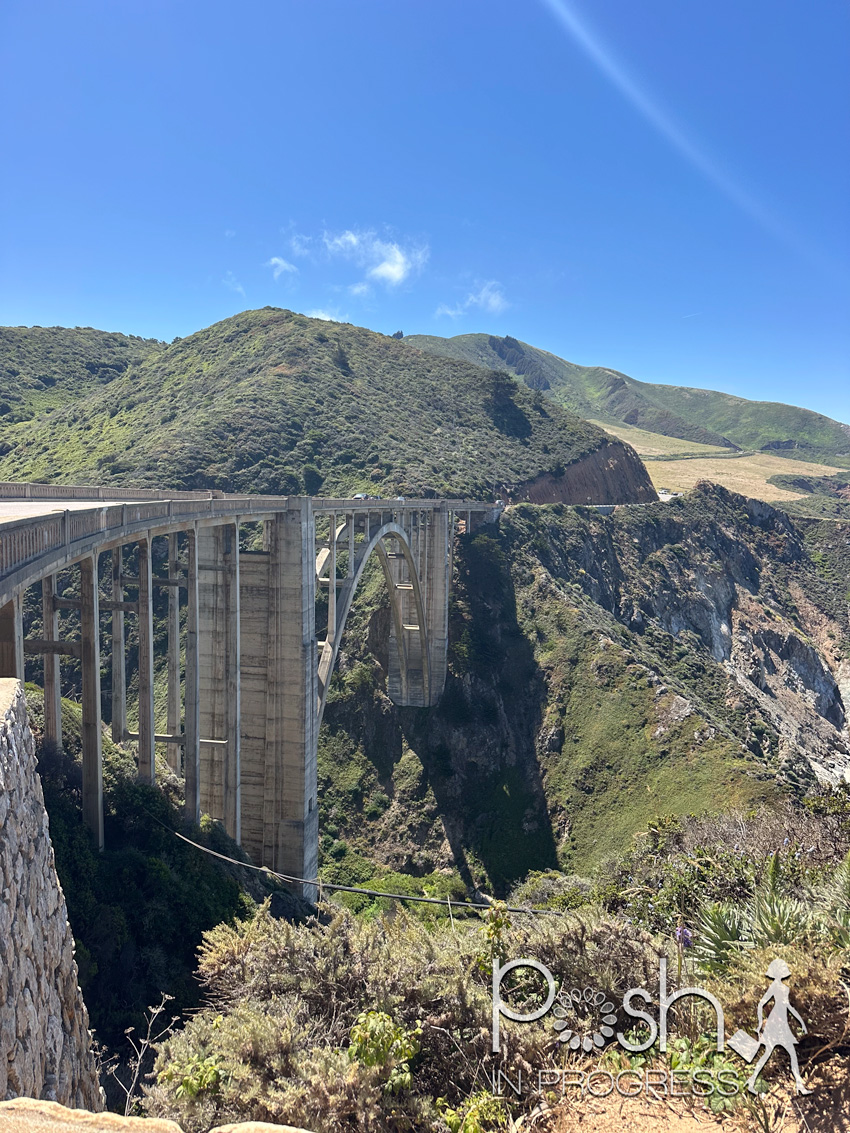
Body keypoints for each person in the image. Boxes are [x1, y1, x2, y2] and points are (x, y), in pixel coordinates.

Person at [747, 958, 811, 1095]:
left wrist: (801, 1023)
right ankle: (752, 1082)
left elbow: (789, 1007)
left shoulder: (784, 988)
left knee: (784, 1054)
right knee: (777, 1054)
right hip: (775, 1021)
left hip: (782, 1020)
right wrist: (759, 1024)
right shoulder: (774, 987)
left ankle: (799, 1085)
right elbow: (761, 1004)